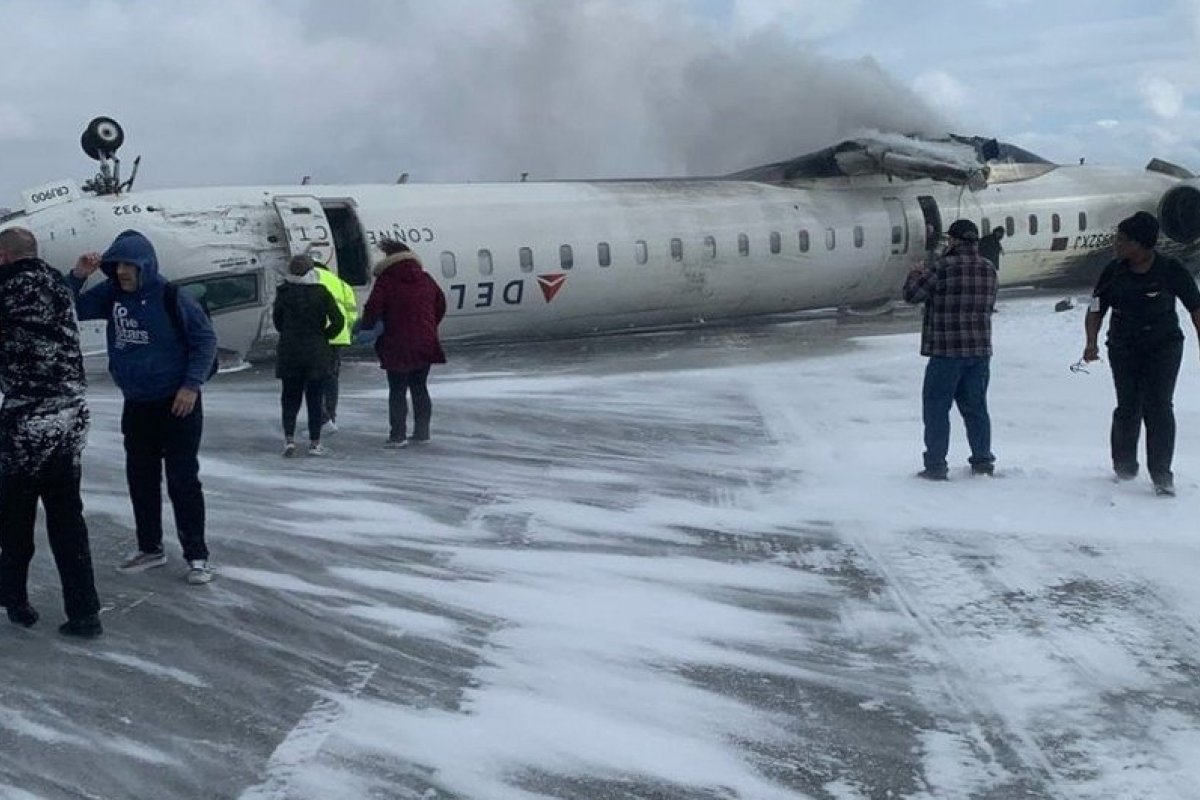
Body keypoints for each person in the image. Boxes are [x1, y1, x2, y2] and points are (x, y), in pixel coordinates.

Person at [69, 230, 218, 584]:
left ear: (145, 266)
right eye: (116, 264)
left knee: (182, 480)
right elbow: (69, 307)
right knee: (141, 478)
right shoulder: (112, 295)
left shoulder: (172, 296)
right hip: (137, 403)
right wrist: (77, 276)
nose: (121, 271)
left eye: (128, 265)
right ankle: (150, 547)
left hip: (177, 403)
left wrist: (190, 386)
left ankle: (197, 555)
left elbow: (205, 340)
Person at [0, 228, 102, 637]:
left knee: (15, 515)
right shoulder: (57, 287)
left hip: (29, 419)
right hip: (71, 417)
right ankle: (85, 612)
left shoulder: (6, 291)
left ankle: (14, 599)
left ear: (4, 257)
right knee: (66, 517)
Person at [1081, 211, 1200, 496]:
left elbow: (1196, 308)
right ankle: (1124, 467)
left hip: (1164, 346)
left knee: (1159, 407)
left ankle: (1161, 475)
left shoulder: (1171, 269)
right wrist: (1091, 342)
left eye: (1121, 240)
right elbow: (1096, 308)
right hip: (1124, 347)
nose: (1116, 245)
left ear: (1140, 244)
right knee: (1128, 406)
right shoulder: (1113, 271)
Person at [902, 219, 999, 480]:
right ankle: (982, 462)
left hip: (946, 352)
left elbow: (912, 295)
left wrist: (915, 273)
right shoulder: (989, 269)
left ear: (954, 241)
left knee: (936, 410)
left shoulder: (942, 268)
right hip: (979, 352)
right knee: (976, 409)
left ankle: (935, 465)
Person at [359, 240, 446, 447]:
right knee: (420, 387)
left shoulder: (386, 281)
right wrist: (429, 327)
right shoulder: (426, 279)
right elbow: (440, 304)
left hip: (397, 343)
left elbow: (373, 308)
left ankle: (398, 436)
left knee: (397, 390)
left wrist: (367, 327)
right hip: (425, 342)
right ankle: (422, 433)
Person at [274, 255, 344, 456]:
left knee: (289, 398)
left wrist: (289, 334)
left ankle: (289, 440)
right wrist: (324, 336)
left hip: (289, 351)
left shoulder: (283, 292)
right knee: (314, 399)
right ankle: (315, 443)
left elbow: (278, 321)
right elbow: (338, 321)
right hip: (316, 352)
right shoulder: (321, 293)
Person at [313, 256, 358, 433]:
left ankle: (321, 420)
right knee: (331, 379)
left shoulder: (309, 281)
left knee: (312, 379)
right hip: (338, 337)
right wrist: (345, 331)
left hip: (316, 337)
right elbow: (352, 313)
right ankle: (331, 416)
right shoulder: (341, 283)